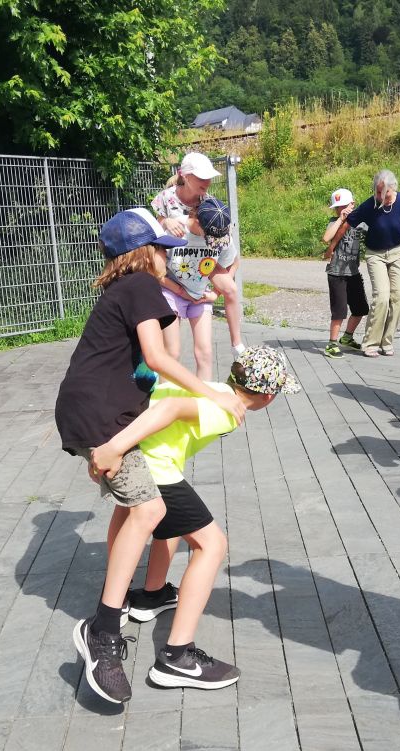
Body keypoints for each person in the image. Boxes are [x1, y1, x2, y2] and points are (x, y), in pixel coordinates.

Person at [56, 207, 246, 706]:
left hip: (93, 410)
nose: (169, 257)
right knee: (150, 508)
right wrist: (212, 394)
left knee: (135, 507)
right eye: (163, 249)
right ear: (145, 253)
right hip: (99, 415)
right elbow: (160, 358)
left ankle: (121, 608)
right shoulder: (140, 284)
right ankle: (102, 631)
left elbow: (150, 364)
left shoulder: (124, 289)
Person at [88, 346, 301, 693]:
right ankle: (177, 656)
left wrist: (118, 445)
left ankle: (150, 595)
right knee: (212, 545)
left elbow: (160, 397)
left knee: (161, 523)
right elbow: (170, 408)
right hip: (154, 468)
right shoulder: (228, 409)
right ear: (268, 397)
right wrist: (114, 448)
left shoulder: (213, 387)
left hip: (137, 457)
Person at [152, 151, 246, 356]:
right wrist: (167, 221)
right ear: (185, 176)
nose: (208, 182)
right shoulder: (166, 197)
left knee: (230, 289)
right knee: (171, 348)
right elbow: (156, 226)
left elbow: (226, 247)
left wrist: (215, 293)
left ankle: (236, 343)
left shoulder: (207, 201)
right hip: (176, 261)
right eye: (202, 177)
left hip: (202, 258)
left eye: (209, 177)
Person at [158, 196, 237, 378]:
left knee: (205, 354)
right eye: (210, 237)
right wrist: (180, 292)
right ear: (197, 222)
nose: (214, 242)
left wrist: (215, 293)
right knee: (171, 353)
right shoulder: (175, 229)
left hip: (200, 295)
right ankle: (166, 394)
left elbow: (233, 263)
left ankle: (203, 394)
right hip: (171, 291)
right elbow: (155, 272)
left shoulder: (221, 234)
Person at [346, 170, 400, 357]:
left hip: (398, 252)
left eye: (385, 193)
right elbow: (350, 220)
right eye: (378, 192)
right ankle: (370, 343)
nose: (381, 197)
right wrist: (344, 215)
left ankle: (387, 341)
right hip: (375, 254)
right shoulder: (370, 205)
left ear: (393, 188)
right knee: (382, 297)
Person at [321, 188, 369, 358]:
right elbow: (326, 238)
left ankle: (347, 337)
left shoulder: (361, 223)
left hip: (353, 272)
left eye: (344, 206)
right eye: (337, 207)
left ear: (352, 204)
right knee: (339, 311)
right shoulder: (334, 222)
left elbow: (372, 231)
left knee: (361, 308)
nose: (340, 210)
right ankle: (332, 344)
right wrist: (341, 219)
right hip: (336, 273)